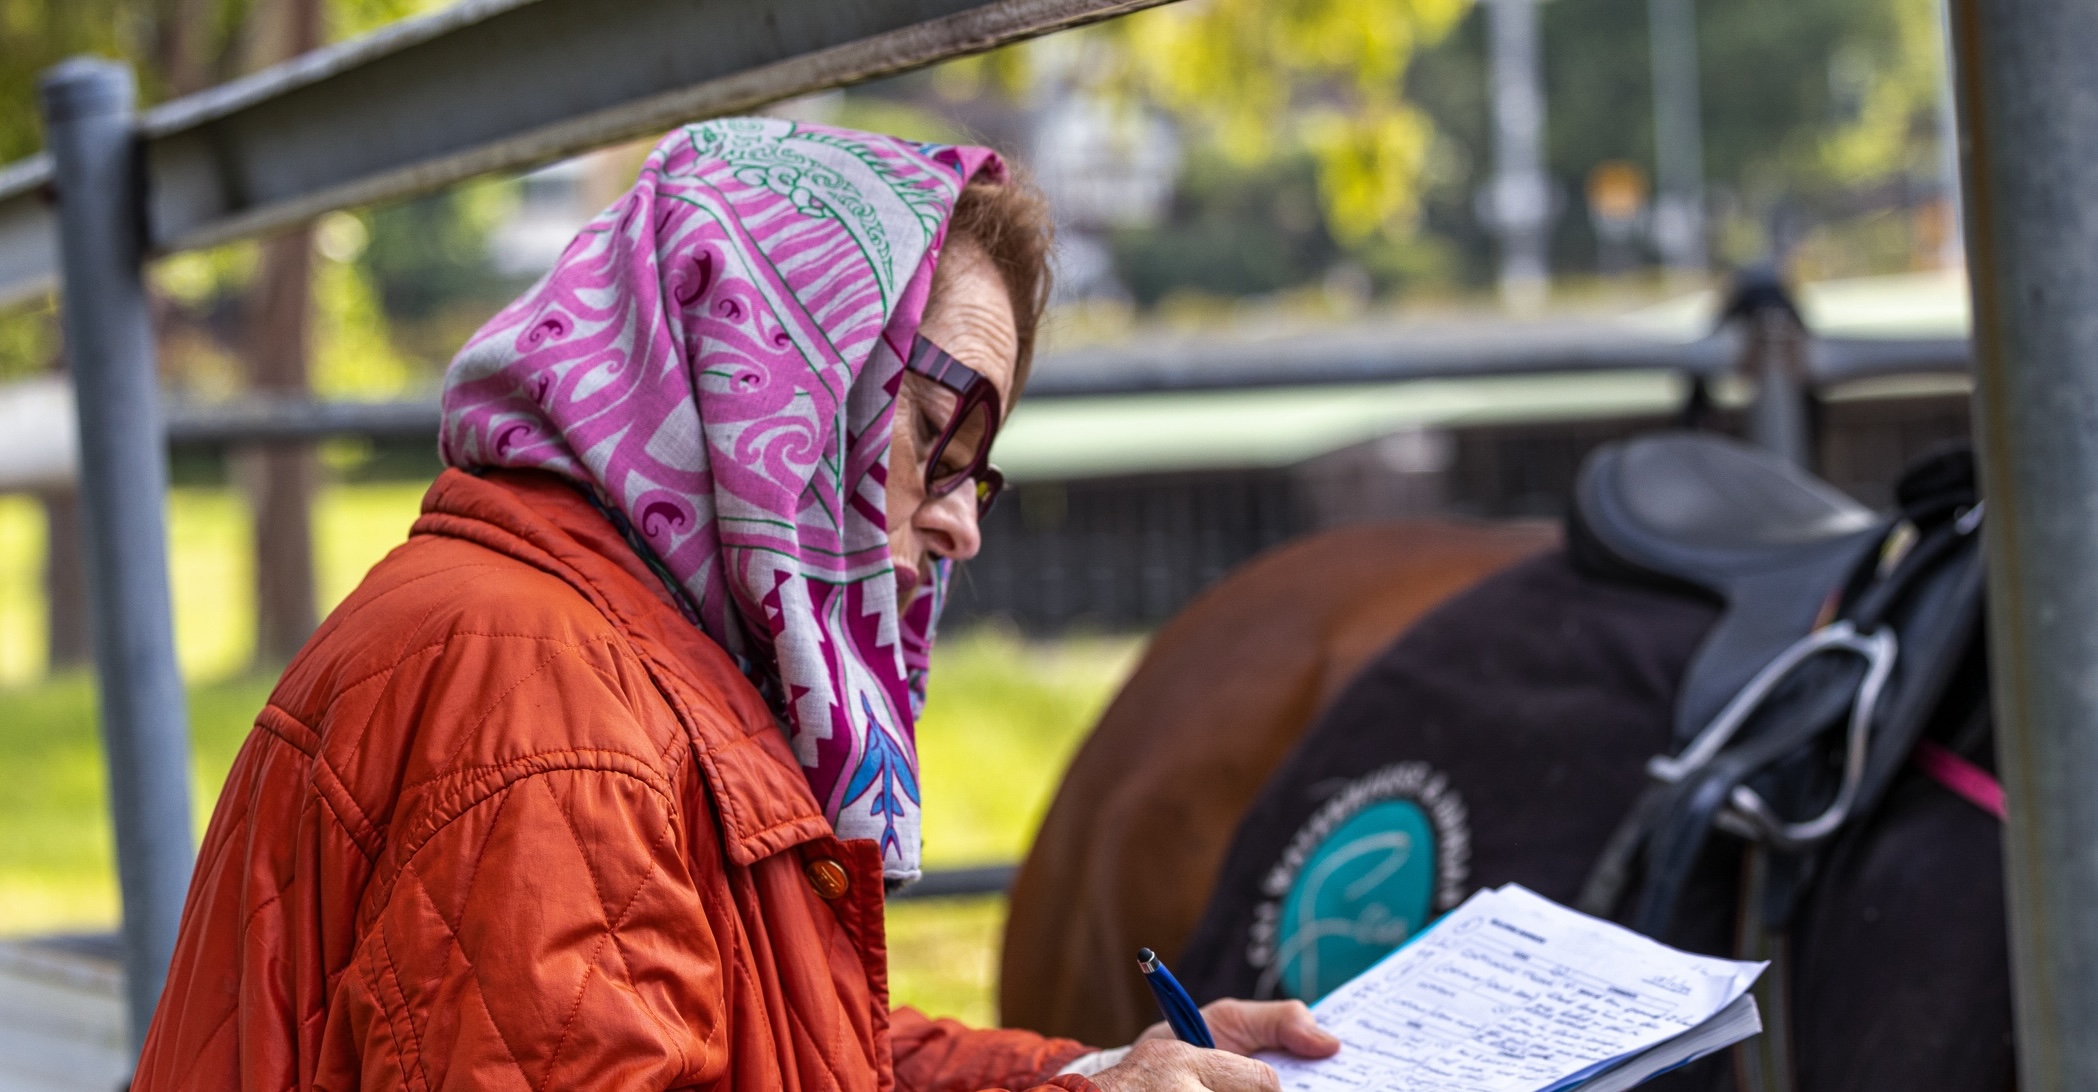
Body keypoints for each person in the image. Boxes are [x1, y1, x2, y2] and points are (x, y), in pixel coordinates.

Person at [133, 118, 1339, 1091]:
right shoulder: (548, 712)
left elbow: (786, 1047)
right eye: (936, 433)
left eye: (980, 470)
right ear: (768, 378)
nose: (962, 524)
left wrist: (1103, 1071)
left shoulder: (622, 648)